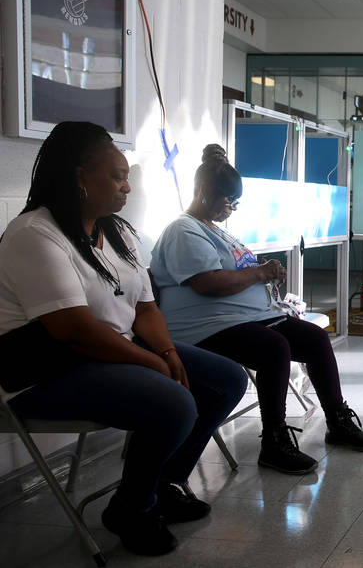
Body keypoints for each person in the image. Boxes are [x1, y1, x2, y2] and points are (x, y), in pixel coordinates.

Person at [0, 122, 248, 556]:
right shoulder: (34, 235)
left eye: (126, 176)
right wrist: (153, 363)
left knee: (226, 380)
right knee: (173, 401)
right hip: (45, 370)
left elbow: (146, 308)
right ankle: (131, 508)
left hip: (108, 352)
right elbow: (72, 329)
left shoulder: (117, 231)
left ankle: (165, 482)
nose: (127, 188)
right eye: (117, 177)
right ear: (79, 177)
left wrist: (167, 351)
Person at [150, 145, 363, 476]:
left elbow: (236, 271)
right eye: (227, 200)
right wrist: (259, 273)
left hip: (243, 319)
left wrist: (264, 271)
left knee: (314, 339)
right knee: (275, 348)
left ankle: (337, 421)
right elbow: (207, 283)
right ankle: (273, 441)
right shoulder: (183, 229)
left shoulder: (217, 231)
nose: (231, 208)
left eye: (235, 202)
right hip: (203, 328)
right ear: (202, 192)